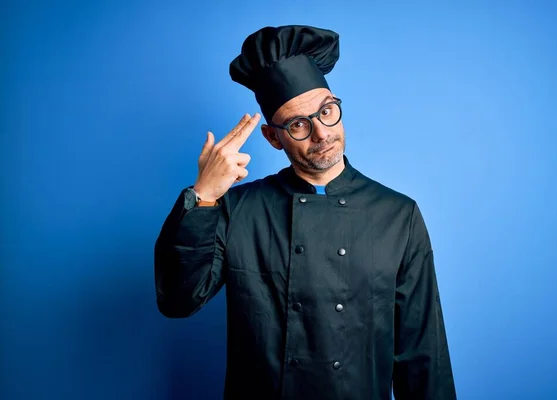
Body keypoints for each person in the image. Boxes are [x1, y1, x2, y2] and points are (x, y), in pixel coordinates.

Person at [154, 25, 456, 400]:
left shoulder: (398, 216)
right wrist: (203, 195)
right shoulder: (237, 210)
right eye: (299, 124)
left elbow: (423, 358)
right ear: (273, 137)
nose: (321, 133)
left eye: (326, 111)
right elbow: (178, 301)